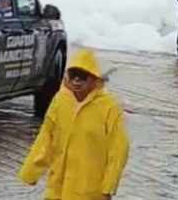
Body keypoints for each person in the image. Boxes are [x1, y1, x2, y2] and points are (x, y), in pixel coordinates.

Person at [18, 49, 130, 200]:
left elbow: (118, 150)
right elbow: (46, 138)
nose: (76, 81)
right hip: (58, 189)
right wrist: (31, 171)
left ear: (94, 78)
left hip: (89, 191)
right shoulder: (60, 102)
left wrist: (108, 187)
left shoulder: (108, 107)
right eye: (73, 75)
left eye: (83, 77)